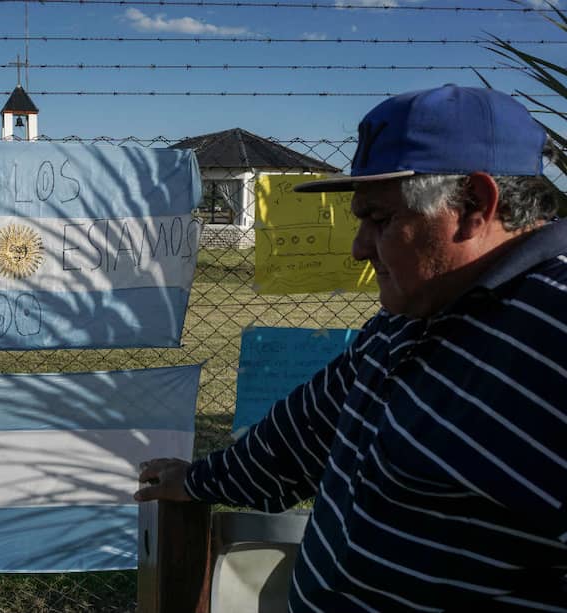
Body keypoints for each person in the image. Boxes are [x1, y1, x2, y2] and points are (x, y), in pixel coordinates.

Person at [136, 85, 567, 611]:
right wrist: (199, 480)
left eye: (381, 220)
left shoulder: (553, 329)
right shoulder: (418, 313)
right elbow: (309, 426)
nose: (360, 246)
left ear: (475, 205)